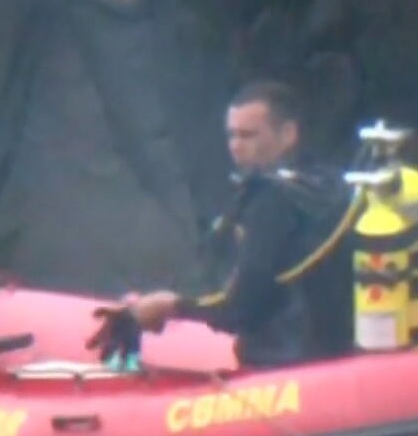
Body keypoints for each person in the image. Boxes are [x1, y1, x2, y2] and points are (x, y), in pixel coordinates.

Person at [91, 80, 357, 369]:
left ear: (288, 134)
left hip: (285, 367)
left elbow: (240, 308)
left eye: (248, 135)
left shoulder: (271, 200)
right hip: (339, 356)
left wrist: (170, 306)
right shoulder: (328, 184)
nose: (236, 146)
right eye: (231, 136)